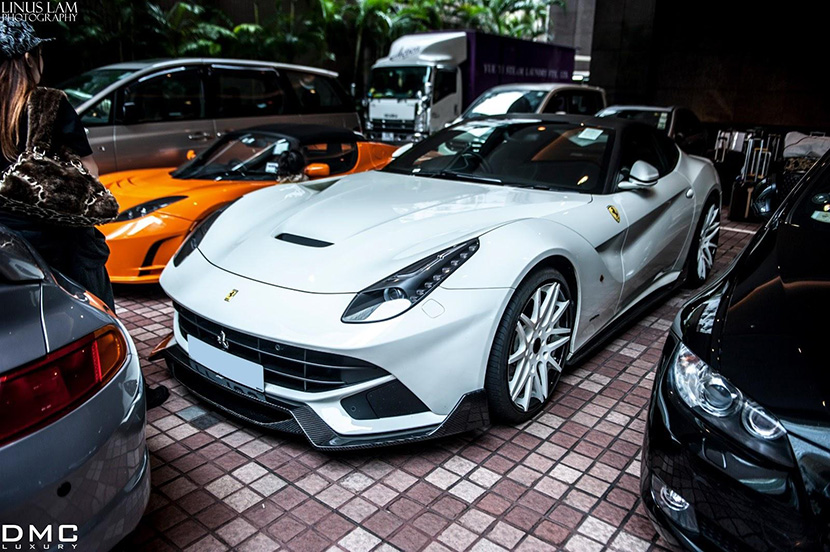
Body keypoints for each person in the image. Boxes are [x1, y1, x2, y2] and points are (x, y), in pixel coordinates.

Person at [0, 21, 168, 408]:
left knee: (38, 321)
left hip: (12, 243)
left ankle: (58, 398)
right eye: (39, 52)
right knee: (99, 311)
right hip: (64, 238)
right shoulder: (48, 104)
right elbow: (90, 170)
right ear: (29, 58)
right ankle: (129, 394)